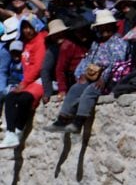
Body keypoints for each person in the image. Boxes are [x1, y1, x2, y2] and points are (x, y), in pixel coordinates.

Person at [43, 10, 129, 134]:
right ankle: (62, 119)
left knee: (90, 91)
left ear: (112, 26)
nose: (104, 30)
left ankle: (79, 122)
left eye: (107, 26)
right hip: (93, 74)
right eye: (101, 27)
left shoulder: (119, 42)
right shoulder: (97, 43)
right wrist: (81, 74)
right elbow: (88, 59)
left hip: (110, 77)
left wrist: (104, 78)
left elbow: (117, 62)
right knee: (75, 88)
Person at [0, 15, 47, 149]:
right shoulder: (25, 43)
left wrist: (24, 83)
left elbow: (38, 66)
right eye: (24, 27)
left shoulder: (40, 40)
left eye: (29, 27)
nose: (27, 31)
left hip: (39, 79)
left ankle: (19, 130)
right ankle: (10, 134)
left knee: (24, 98)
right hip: (28, 80)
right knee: (10, 98)